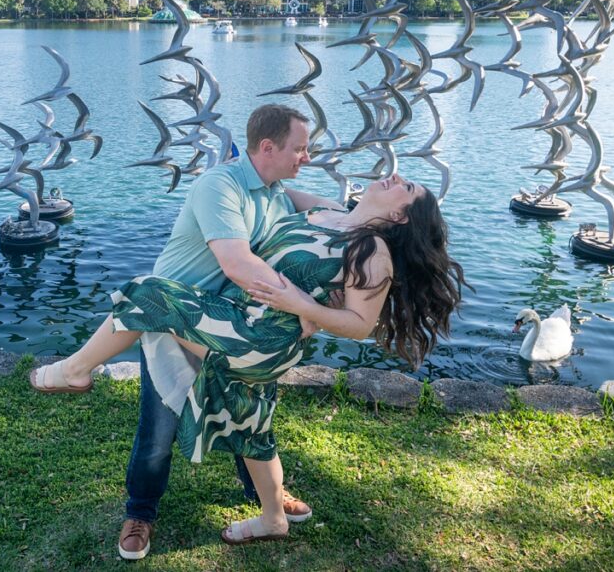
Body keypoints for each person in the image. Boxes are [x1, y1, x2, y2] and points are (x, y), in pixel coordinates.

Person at [33, 158, 466, 548]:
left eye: (406, 187)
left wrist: (305, 307)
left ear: (399, 216)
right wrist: (235, 169)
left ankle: (72, 371)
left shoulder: (373, 252)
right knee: (251, 427)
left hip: (262, 338)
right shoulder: (327, 211)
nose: (396, 177)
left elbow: (361, 325)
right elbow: (271, 186)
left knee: (147, 293)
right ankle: (273, 517)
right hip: (246, 323)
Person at [34, 104, 335, 559]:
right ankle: (140, 513)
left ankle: (264, 497)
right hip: (171, 322)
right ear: (268, 147)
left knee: (245, 415)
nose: (306, 158)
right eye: (300, 148)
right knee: (158, 431)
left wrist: (366, 214)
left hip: (228, 325)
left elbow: (333, 211)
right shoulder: (220, 185)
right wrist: (306, 307)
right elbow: (237, 265)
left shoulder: (276, 193)